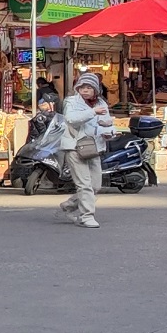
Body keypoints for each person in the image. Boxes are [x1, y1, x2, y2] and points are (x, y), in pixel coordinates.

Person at [57, 72, 108, 228]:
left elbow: (105, 121)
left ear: (96, 89)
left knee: (95, 185)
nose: (85, 90)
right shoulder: (71, 101)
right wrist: (93, 112)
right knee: (84, 184)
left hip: (94, 147)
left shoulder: (101, 103)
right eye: (82, 87)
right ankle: (87, 216)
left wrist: (109, 131)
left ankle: (69, 205)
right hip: (74, 146)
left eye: (89, 87)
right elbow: (71, 119)